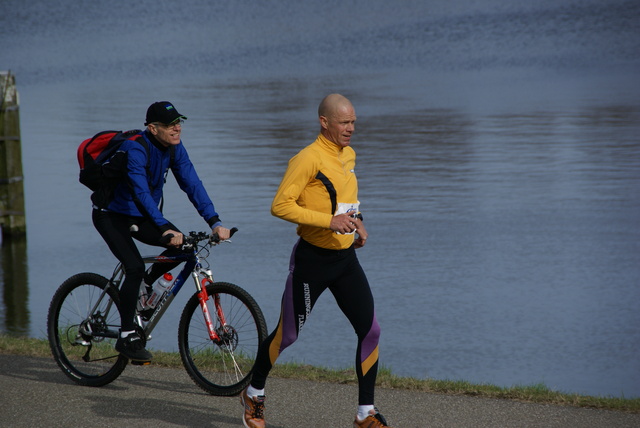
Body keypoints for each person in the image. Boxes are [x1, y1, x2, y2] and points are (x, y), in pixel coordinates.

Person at [240, 94, 393, 427]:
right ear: (325, 122)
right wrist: (328, 223)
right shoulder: (307, 158)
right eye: (344, 122)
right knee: (287, 335)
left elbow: (345, 199)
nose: (351, 128)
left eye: (353, 121)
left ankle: (365, 413)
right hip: (312, 262)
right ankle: (254, 392)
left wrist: (358, 220)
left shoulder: (347, 154)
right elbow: (280, 206)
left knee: (371, 330)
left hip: (345, 260)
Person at [91, 101, 230, 363]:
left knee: (186, 247)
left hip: (142, 215)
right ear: (153, 129)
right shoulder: (136, 149)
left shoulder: (174, 149)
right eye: (169, 125)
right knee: (132, 266)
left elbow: (192, 184)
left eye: (179, 122)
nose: (177, 128)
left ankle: (147, 282)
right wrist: (164, 226)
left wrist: (214, 221)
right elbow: (141, 193)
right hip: (111, 215)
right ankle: (127, 335)